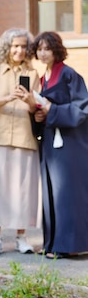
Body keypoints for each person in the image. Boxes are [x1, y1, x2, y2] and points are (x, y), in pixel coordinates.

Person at [0, 28, 41, 257]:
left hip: (24, 137)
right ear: (7, 48)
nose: (19, 50)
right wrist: (8, 97)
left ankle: (22, 237)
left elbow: (38, 109)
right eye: (15, 46)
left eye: (23, 46)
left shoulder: (33, 75)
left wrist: (30, 100)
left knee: (22, 190)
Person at [30, 31, 88, 259]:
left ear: (56, 49)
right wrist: (38, 118)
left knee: (66, 193)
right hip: (51, 145)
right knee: (51, 193)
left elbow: (82, 108)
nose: (43, 53)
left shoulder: (69, 75)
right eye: (39, 49)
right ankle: (52, 244)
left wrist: (51, 111)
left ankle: (67, 245)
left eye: (47, 48)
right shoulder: (43, 78)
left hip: (70, 146)